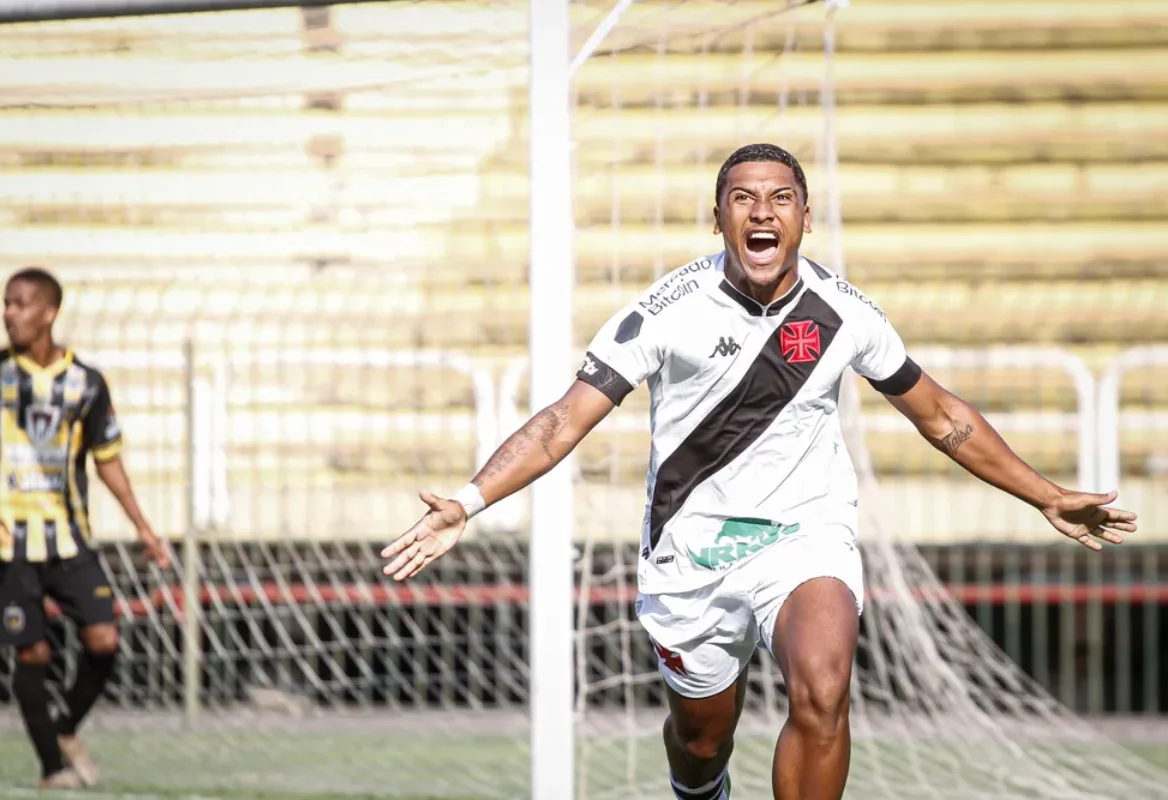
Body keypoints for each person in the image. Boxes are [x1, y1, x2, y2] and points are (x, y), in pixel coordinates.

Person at [380, 144, 1136, 800]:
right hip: (690, 556)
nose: (761, 211)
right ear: (718, 220)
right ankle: (698, 788)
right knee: (704, 741)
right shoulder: (664, 310)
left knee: (823, 688)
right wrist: (470, 501)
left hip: (803, 536)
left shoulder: (846, 315)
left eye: (780, 198)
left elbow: (942, 417)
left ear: (806, 216)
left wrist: (1046, 494)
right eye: (742, 198)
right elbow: (561, 423)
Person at [0, 267, 169, 790]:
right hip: (7, 542)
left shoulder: (87, 383)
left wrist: (144, 528)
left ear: (49, 312)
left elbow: (107, 461)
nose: (9, 313)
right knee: (32, 652)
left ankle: (64, 729)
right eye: (6, 303)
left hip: (70, 539)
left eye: (21, 304)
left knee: (103, 640)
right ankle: (52, 770)